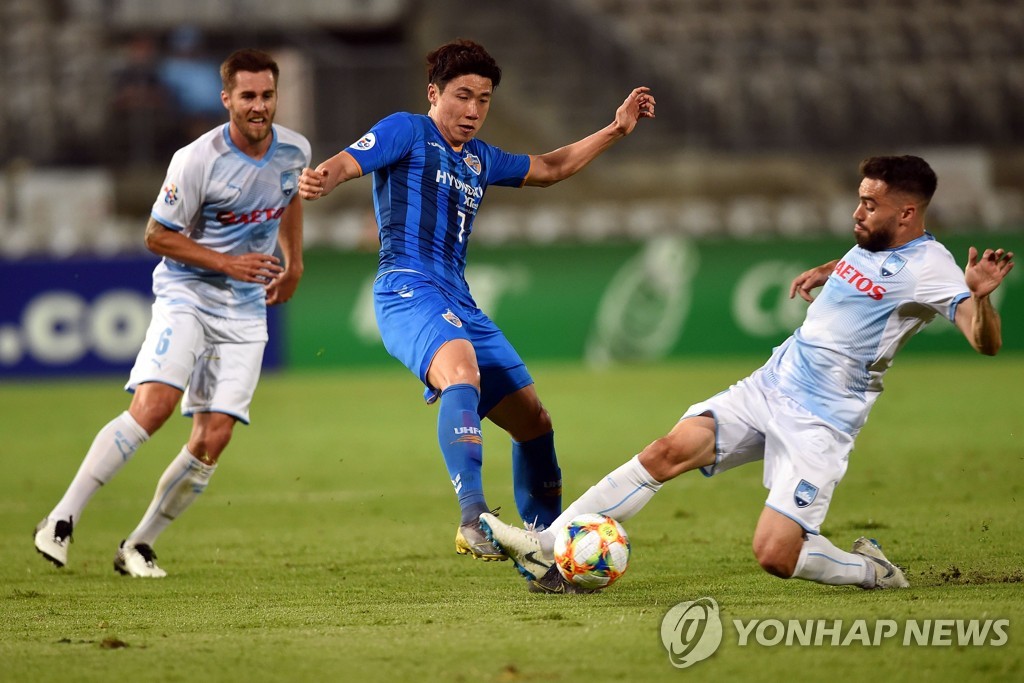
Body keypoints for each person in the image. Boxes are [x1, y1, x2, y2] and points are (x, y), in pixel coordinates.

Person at [481, 155, 1015, 593]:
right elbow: (871, 266)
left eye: (870, 204)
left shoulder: (933, 267)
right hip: (771, 384)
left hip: (821, 421)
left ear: (907, 213)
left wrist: (981, 298)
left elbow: (982, 341)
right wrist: (829, 270)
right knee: (665, 452)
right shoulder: (874, 241)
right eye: (859, 197)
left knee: (775, 555)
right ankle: (547, 547)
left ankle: (872, 571)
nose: (858, 211)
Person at [299, 39, 655, 561]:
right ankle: (473, 517)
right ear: (433, 93)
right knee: (460, 371)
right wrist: (322, 178)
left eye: (483, 100)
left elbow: (550, 168)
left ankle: (541, 550)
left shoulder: (482, 159)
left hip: (459, 298)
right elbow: (350, 161)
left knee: (534, 422)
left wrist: (616, 130)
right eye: (462, 96)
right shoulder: (408, 129)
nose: (472, 111)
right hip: (407, 287)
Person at [33, 48, 311, 577]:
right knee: (154, 407)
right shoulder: (196, 159)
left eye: (268, 95)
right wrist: (226, 262)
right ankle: (61, 519)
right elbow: (156, 235)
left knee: (215, 437)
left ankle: (138, 545)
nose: (259, 106)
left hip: (246, 308)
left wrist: (293, 262)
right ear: (226, 98)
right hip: (188, 294)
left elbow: (290, 196)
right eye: (248, 96)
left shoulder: (295, 150)